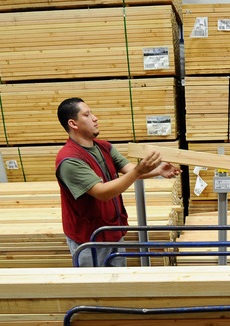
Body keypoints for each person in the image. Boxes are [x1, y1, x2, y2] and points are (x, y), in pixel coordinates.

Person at [55, 97, 181, 267]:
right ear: (73, 124)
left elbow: (130, 170)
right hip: (89, 240)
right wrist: (138, 171)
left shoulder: (104, 147)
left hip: (112, 231)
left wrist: (157, 171)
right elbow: (102, 193)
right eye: (87, 115)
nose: (95, 118)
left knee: (117, 281)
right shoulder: (69, 160)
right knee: (97, 288)